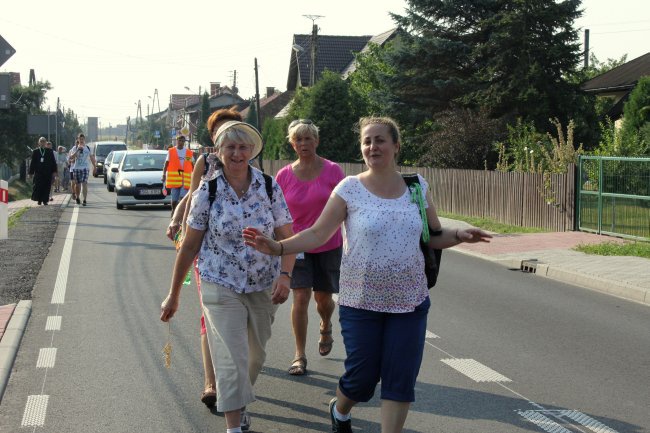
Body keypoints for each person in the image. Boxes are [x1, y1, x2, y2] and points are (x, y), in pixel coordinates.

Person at [243, 116, 492, 433]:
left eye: (380, 140)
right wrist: (278, 247)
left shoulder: (416, 187)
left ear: (396, 145)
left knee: (400, 380)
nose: (373, 146)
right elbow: (319, 233)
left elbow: (433, 236)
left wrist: (459, 235)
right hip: (361, 302)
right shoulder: (350, 189)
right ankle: (341, 409)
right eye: (367, 141)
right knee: (361, 380)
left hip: (410, 302)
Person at [160, 120, 296, 433]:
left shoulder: (269, 186)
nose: (237, 153)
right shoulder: (207, 192)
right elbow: (190, 244)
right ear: (219, 152)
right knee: (231, 355)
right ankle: (234, 425)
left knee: (255, 355)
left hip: (263, 283)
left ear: (251, 151)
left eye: (242, 147)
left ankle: (238, 400)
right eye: (230, 147)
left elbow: (287, 235)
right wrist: (174, 293)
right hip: (219, 281)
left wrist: (286, 275)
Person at [165, 107, 243, 408]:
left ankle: (236, 370)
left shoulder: (251, 167)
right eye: (222, 131)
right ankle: (211, 383)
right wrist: (178, 222)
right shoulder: (206, 162)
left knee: (241, 319)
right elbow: (193, 195)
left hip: (243, 257)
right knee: (208, 315)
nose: (230, 136)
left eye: (235, 128)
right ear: (214, 137)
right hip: (207, 253)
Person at [275, 119, 344, 376]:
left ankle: (326, 324)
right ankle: (299, 355)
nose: (304, 143)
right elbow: (276, 211)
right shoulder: (283, 175)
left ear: (316, 141)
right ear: (293, 144)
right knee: (300, 296)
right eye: (298, 140)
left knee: (323, 299)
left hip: (328, 244)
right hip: (297, 245)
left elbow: (346, 205)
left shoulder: (333, 171)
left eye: (308, 139)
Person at [162, 134, 194, 216]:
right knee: (174, 199)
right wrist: (163, 174)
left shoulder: (188, 152)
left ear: (184, 142)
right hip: (175, 179)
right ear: (176, 141)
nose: (181, 142)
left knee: (182, 198)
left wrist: (195, 175)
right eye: (179, 140)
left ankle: (180, 215)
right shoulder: (171, 151)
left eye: (183, 141)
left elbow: (192, 164)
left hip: (185, 179)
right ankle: (173, 211)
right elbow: (166, 164)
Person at [28, 137, 57, 205]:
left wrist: (54, 171)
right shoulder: (36, 151)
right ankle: (39, 200)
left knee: (46, 186)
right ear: (39, 143)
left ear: (46, 142)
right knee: (38, 186)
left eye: (44, 141)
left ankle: (45, 200)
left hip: (47, 172)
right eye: (41, 141)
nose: (42, 143)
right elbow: (33, 163)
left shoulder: (49, 151)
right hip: (38, 172)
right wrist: (31, 173)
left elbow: (53, 162)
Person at [69, 133, 96, 206]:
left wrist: (94, 167)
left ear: (84, 140)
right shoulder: (75, 148)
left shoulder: (87, 148)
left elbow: (91, 158)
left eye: (82, 139)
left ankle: (84, 200)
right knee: (77, 185)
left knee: (84, 183)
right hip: (76, 168)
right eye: (80, 139)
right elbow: (71, 157)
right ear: (78, 140)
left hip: (85, 168)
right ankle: (78, 197)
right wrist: (77, 150)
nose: (81, 140)